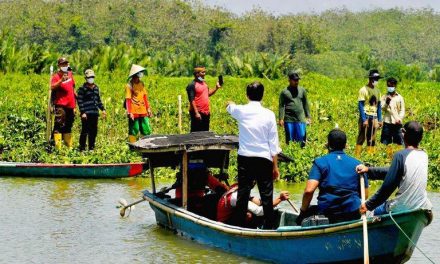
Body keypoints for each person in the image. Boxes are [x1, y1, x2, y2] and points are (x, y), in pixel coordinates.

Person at [226, 81, 281, 229]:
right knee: (266, 195)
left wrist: (230, 103)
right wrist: (275, 167)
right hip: (264, 158)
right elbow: (273, 143)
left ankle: (239, 226)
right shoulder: (269, 114)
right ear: (262, 96)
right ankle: (269, 227)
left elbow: (229, 108)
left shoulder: (241, 110)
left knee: (243, 194)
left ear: (247, 95)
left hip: (245, 159)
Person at [357, 121, 432, 216]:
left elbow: (387, 187)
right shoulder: (424, 155)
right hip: (420, 205)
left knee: (371, 212)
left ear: (403, 134)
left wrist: (368, 205)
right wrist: (369, 170)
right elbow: (396, 172)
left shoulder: (400, 156)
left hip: (401, 207)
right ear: (421, 138)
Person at [297, 129, 368, 225]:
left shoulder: (320, 162)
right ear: (345, 145)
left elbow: (309, 191)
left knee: (307, 214)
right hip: (352, 212)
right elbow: (366, 194)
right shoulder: (358, 164)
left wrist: (303, 211)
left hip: (328, 213)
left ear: (327, 145)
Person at [217, 184, 289, 227]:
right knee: (249, 215)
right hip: (224, 223)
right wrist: (280, 199)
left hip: (231, 217)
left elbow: (258, 202)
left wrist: (269, 201)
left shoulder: (238, 187)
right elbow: (259, 211)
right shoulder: (236, 196)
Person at [355, 69, 383, 157]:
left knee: (372, 138)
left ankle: (370, 155)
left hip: (374, 117)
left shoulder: (378, 91)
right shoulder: (363, 90)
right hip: (366, 116)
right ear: (371, 79)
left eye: (378, 79)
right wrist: (364, 119)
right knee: (361, 137)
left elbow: (378, 106)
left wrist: (380, 119)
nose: (377, 81)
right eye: (376, 79)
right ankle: (357, 155)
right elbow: (360, 105)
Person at [278, 72, 311, 147]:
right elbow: (281, 106)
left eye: (297, 80)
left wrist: (308, 116)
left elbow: (305, 104)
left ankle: (301, 154)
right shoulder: (284, 92)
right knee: (290, 140)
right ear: (289, 80)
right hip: (289, 119)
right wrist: (281, 118)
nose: (297, 82)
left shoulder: (302, 90)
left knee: (302, 137)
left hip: (301, 119)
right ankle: (290, 156)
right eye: (294, 80)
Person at [77, 69, 106, 151]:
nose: (91, 78)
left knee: (93, 131)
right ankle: (82, 148)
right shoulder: (82, 89)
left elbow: (98, 100)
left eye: (92, 77)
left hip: (94, 113)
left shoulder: (96, 88)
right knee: (85, 130)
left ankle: (91, 147)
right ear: (86, 78)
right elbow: (80, 101)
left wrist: (103, 109)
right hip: (86, 113)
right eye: (89, 77)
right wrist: (83, 112)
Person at [50, 57, 76, 149]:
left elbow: (73, 89)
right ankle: (58, 149)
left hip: (70, 106)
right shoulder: (56, 76)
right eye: (62, 64)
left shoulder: (70, 74)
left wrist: (75, 106)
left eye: (66, 64)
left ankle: (68, 149)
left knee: (68, 127)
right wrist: (61, 81)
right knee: (58, 126)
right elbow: (52, 87)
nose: (64, 66)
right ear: (59, 66)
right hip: (61, 106)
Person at [186, 66, 221, 132]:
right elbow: (192, 100)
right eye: (203, 72)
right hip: (197, 112)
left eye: (205, 72)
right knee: (195, 133)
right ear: (197, 74)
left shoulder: (204, 83)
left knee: (205, 132)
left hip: (206, 112)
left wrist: (216, 88)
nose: (204, 74)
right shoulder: (192, 85)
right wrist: (196, 113)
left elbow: (208, 94)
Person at [125, 64, 152, 143]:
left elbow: (145, 97)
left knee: (146, 129)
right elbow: (128, 100)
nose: (141, 75)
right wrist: (129, 112)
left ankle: (147, 144)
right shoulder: (129, 86)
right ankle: (132, 145)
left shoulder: (141, 83)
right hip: (134, 111)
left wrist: (148, 108)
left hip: (143, 110)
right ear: (135, 75)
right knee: (134, 129)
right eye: (139, 73)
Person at [380, 77, 405, 159]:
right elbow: (382, 108)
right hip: (387, 122)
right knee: (385, 141)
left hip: (397, 123)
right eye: (388, 85)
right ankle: (387, 157)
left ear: (395, 86)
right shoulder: (384, 97)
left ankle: (398, 157)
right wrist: (387, 102)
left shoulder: (400, 97)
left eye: (391, 85)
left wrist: (399, 118)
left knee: (399, 141)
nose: (389, 87)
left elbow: (402, 110)